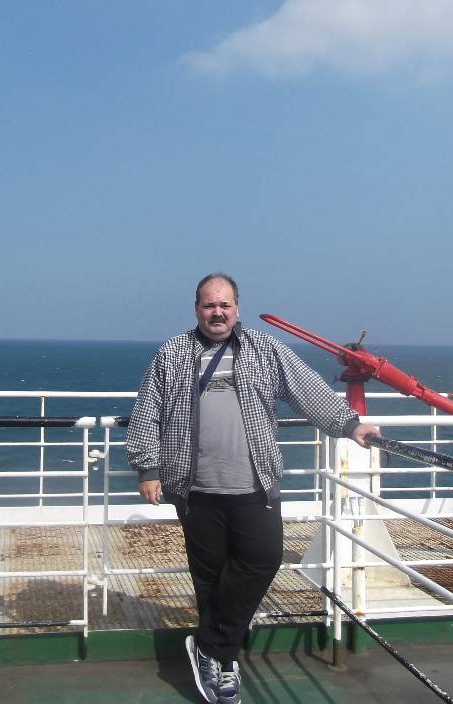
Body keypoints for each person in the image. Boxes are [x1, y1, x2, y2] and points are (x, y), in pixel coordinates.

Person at [126, 273, 379, 704]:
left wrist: (349, 425)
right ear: (197, 309)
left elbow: (307, 390)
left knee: (263, 558)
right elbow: (148, 410)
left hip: (253, 482)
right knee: (209, 578)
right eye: (209, 305)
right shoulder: (172, 353)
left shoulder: (264, 349)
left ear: (237, 308)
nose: (217, 312)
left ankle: (208, 645)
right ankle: (222, 662)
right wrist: (148, 468)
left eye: (224, 304)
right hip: (194, 486)